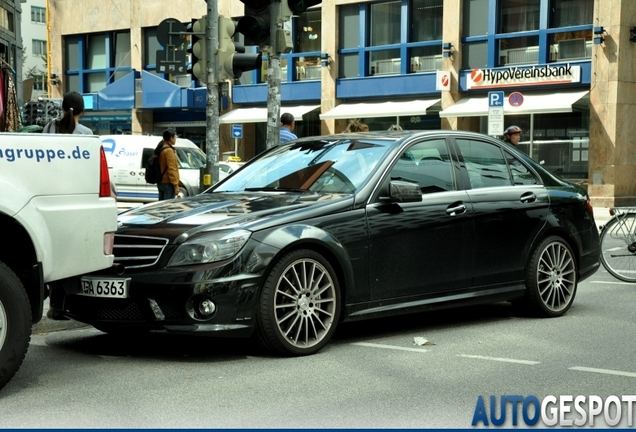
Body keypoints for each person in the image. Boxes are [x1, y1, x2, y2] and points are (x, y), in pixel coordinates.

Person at [156, 129, 181, 201]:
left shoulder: (161, 148)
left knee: (162, 205)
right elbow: (171, 169)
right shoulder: (169, 151)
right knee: (168, 207)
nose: (176, 139)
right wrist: (176, 186)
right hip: (168, 183)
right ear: (171, 138)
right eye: (175, 137)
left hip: (161, 182)